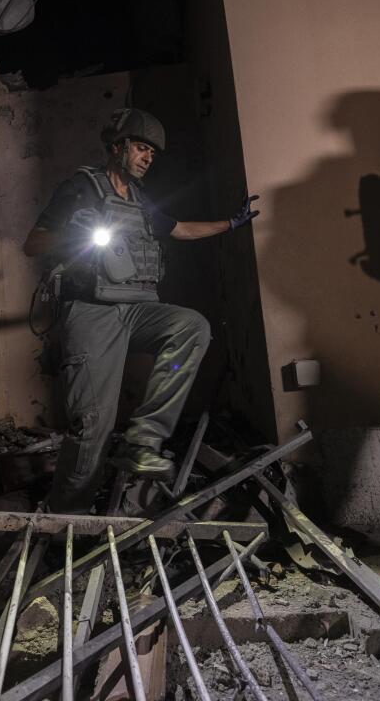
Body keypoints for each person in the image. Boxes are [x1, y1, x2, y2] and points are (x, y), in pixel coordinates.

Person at [23, 108, 260, 513]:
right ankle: (66, 516)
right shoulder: (80, 189)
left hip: (137, 309)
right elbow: (33, 244)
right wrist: (71, 234)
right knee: (91, 426)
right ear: (117, 148)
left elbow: (179, 229)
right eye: (140, 147)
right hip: (92, 311)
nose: (148, 157)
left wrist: (230, 225)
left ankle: (144, 440)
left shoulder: (141, 200)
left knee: (192, 327)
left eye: (151, 151)